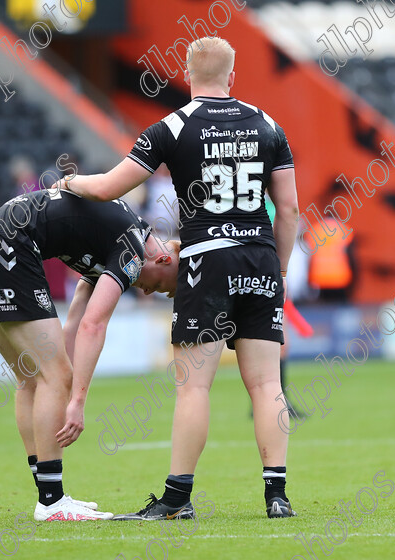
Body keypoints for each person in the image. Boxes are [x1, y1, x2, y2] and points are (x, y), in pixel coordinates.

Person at [61, 36, 300, 519]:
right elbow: (290, 208)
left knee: (194, 387)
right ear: (232, 77)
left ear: (187, 75)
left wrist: (67, 183)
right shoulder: (268, 123)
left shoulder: (172, 125)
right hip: (258, 257)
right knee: (267, 385)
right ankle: (277, 496)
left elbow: (108, 188)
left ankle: (177, 499)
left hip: (207, 259)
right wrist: (280, 270)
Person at [0, 187, 179, 521]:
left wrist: (61, 377)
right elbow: (94, 324)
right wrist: (75, 399)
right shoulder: (132, 252)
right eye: (160, 285)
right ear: (164, 258)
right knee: (52, 375)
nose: (147, 290)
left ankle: (49, 496)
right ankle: (52, 502)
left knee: (32, 378)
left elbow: (76, 318)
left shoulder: (114, 240)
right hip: (8, 249)